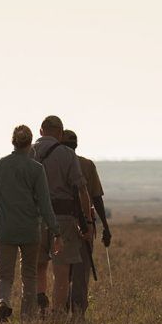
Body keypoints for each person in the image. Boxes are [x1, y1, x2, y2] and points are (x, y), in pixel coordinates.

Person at [0, 124, 61, 322]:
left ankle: (2, 301)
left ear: (13, 141)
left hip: (4, 229)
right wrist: (56, 230)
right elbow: (45, 204)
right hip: (29, 229)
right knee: (29, 275)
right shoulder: (36, 169)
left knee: (4, 274)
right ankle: (28, 317)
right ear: (30, 144)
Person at [31, 115, 95, 317]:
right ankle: (57, 315)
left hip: (35, 219)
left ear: (40, 131)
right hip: (63, 219)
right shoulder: (67, 154)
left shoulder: (28, 153)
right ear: (60, 133)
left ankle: (40, 306)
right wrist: (89, 222)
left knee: (38, 266)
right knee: (62, 271)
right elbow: (81, 189)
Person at [61, 129, 111, 314]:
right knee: (81, 273)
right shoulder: (87, 165)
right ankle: (78, 312)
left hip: (60, 225)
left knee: (62, 271)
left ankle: (62, 307)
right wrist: (105, 226)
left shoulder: (53, 165)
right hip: (85, 226)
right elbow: (97, 198)